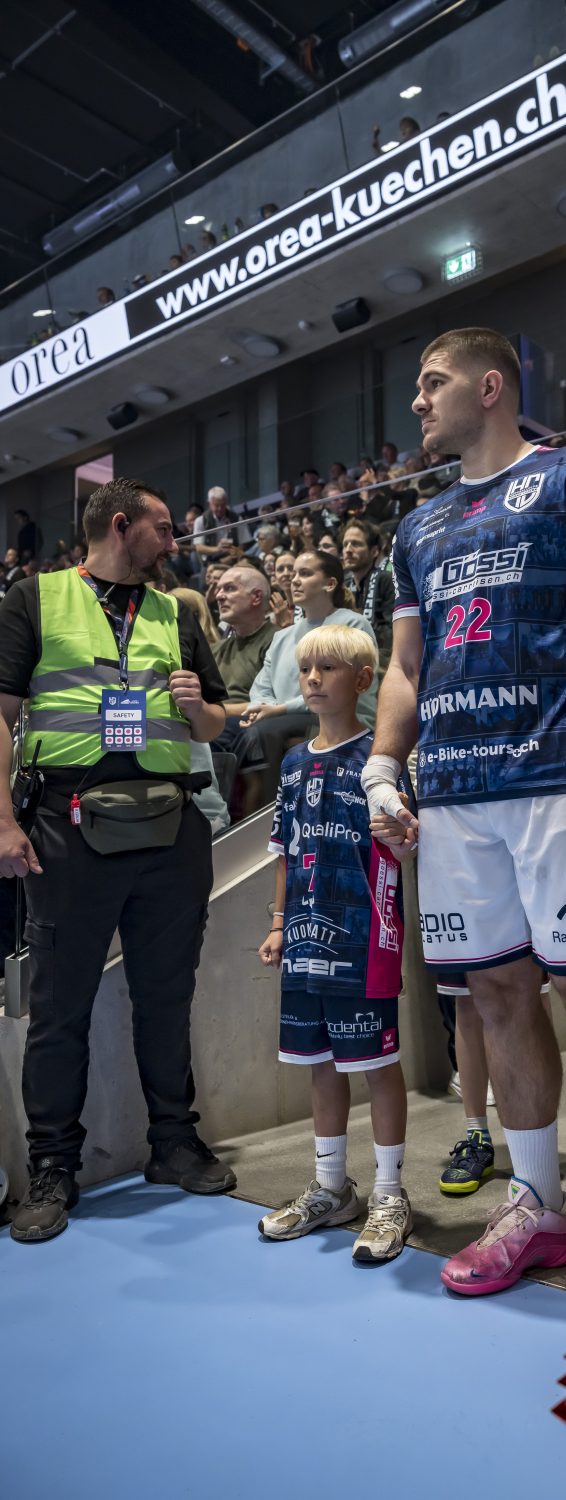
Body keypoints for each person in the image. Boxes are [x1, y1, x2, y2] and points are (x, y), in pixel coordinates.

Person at [363, 326, 566, 1347]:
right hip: (454, 795)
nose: (417, 402)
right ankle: (539, 1206)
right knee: (497, 995)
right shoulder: (417, 528)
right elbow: (406, 666)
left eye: (432, 382)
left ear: (491, 385)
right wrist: (381, 764)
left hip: (559, 778)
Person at [0, 478, 235, 1243]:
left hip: (170, 828)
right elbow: (0, 717)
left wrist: (201, 710)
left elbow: (218, 719)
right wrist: (4, 822)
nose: (175, 542)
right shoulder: (34, 600)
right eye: (164, 529)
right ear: (121, 524)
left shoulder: (180, 609)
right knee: (59, 1009)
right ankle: (51, 1168)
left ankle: (174, 1142)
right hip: (66, 827)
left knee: (165, 999)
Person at [257, 624, 411, 1261]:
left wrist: (404, 838)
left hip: (363, 937)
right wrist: (276, 921)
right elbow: (285, 853)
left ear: (363, 679)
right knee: (318, 1063)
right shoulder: (293, 764)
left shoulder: (380, 759)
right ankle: (330, 1188)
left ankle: (390, 1195)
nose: (314, 678)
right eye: (307, 668)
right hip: (303, 936)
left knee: (374, 1066)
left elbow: (403, 842)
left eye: (329, 668)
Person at [239, 551, 376, 807]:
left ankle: (276, 811)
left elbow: (338, 690)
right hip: (282, 717)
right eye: (293, 575)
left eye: (305, 573)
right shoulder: (282, 636)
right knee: (230, 729)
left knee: (262, 731)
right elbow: (262, 685)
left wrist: (277, 709)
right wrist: (262, 706)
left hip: (333, 715)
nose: (295, 580)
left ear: (330, 583)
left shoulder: (351, 624)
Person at [212, 565, 276, 719]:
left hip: (248, 725)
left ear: (256, 597)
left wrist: (212, 713)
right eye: (219, 589)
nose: (219, 596)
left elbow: (275, 703)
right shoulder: (214, 649)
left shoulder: (279, 640)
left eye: (229, 588)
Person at [341, 519, 394, 670]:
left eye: (356, 544)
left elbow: (393, 632)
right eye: (345, 544)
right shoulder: (343, 587)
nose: (348, 550)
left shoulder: (387, 580)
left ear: (374, 551)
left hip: (380, 661)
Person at [192, 487, 250, 563]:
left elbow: (244, 542)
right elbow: (199, 547)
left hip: (233, 560)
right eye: (216, 505)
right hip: (210, 561)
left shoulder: (237, 518)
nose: (220, 508)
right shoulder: (200, 521)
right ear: (209, 504)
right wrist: (218, 549)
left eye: (222, 505)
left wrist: (234, 553)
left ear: (226, 503)